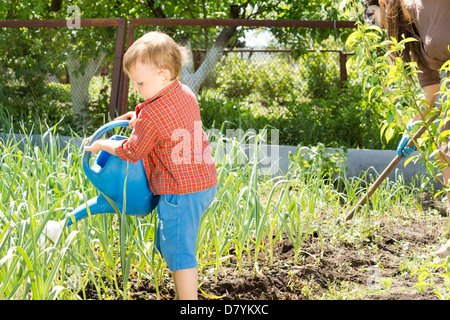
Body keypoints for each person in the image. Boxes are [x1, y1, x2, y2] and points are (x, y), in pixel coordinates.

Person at [84, 31, 218, 299]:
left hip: (180, 192)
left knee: (180, 255)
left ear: (163, 75)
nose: (136, 88)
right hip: (204, 184)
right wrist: (138, 117)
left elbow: (132, 151)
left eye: (140, 83)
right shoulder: (185, 93)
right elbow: (166, 120)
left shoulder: (152, 115)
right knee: (176, 245)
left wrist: (103, 144)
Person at [365, 0, 450, 259]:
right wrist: (412, 129)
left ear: (382, 2)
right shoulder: (413, 37)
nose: (374, 24)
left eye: (372, 15)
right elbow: (430, 94)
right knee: (444, 153)